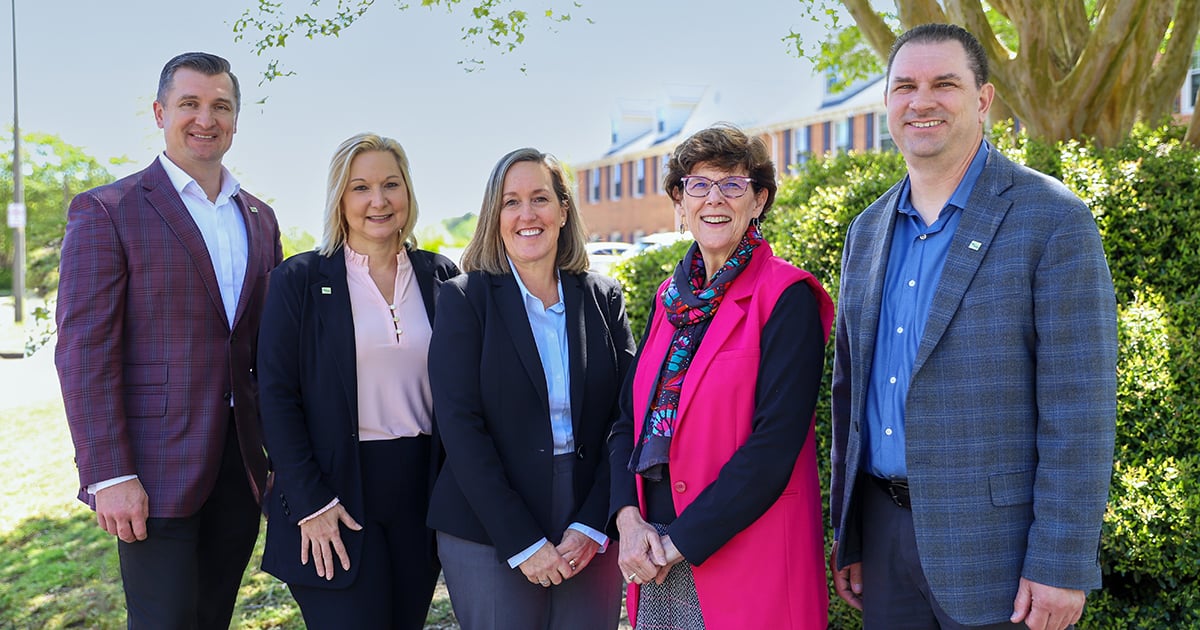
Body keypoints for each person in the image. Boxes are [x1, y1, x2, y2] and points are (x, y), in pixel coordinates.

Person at [829, 23, 1118, 630]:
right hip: (883, 539)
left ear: (983, 100)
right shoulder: (867, 231)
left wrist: (1062, 564)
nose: (921, 100)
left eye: (945, 84)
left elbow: (1080, 410)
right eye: (904, 86)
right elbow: (848, 395)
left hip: (1000, 553)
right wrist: (851, 533)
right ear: (887, 104)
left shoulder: (1052, 220)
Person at [54, 52, 282, 628]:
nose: (205, 118)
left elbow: (264, 348)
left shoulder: (260, 217)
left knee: (213, 617)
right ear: (160, 112)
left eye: (220, 106)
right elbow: (84, 353)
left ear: (235, 119)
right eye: (190, 104)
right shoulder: (108, 210)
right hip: (152, 472)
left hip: (240, 465)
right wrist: (109, 473)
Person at [608, 124, 835, 630]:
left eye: (733, 184)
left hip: (742, 553)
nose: (715, 198)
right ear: (679, 200)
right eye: (699, 184)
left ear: (759, 200)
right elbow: (628, 422)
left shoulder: (786, 295)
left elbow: (773, 446)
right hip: (656, 550)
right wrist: (627, 518)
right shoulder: (669, 300)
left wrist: (678, 543)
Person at [256, 133, 459, 628]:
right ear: (339, 200)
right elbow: (276, 398)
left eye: (391, 184)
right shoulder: (298, 280)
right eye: (360, 187)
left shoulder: (443, 277)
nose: (378, 200)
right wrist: (310, 503)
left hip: (420, 495)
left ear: (407, 192)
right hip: (333, 494)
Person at [426, 148, 635, 630]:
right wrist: (521, 539)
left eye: (540, 198)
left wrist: (590, 523)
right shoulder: (464, 298)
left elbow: (627, 419)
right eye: (511, 201)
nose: (527, 214)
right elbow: (460, 428)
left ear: (564, 210)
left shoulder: (602, 298)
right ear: (494, 216)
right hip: (489, 523)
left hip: (589, 519)